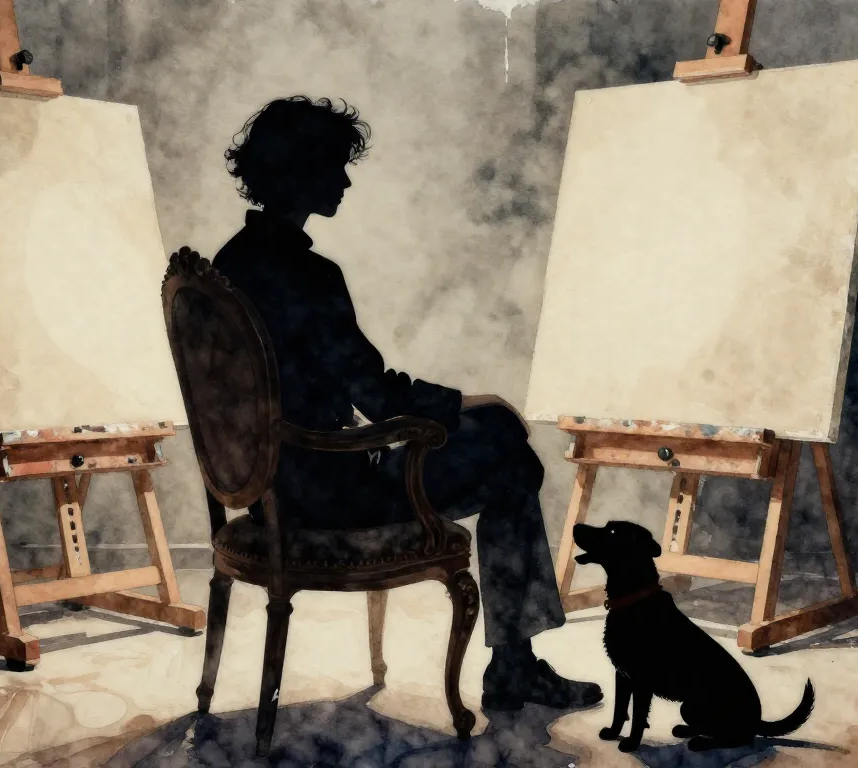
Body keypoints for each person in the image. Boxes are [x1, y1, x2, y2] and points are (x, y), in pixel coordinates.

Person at [210, 96, 602, 712]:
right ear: (301, 170)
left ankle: (516, 666)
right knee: (507, 451)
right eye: (336, 166)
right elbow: (377, 396)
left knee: (506, 458)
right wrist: (472, 403)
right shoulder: (307, 275)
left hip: (271, 492)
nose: (344, 181)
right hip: (331, 495)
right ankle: (514, 666)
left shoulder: (227, 267)